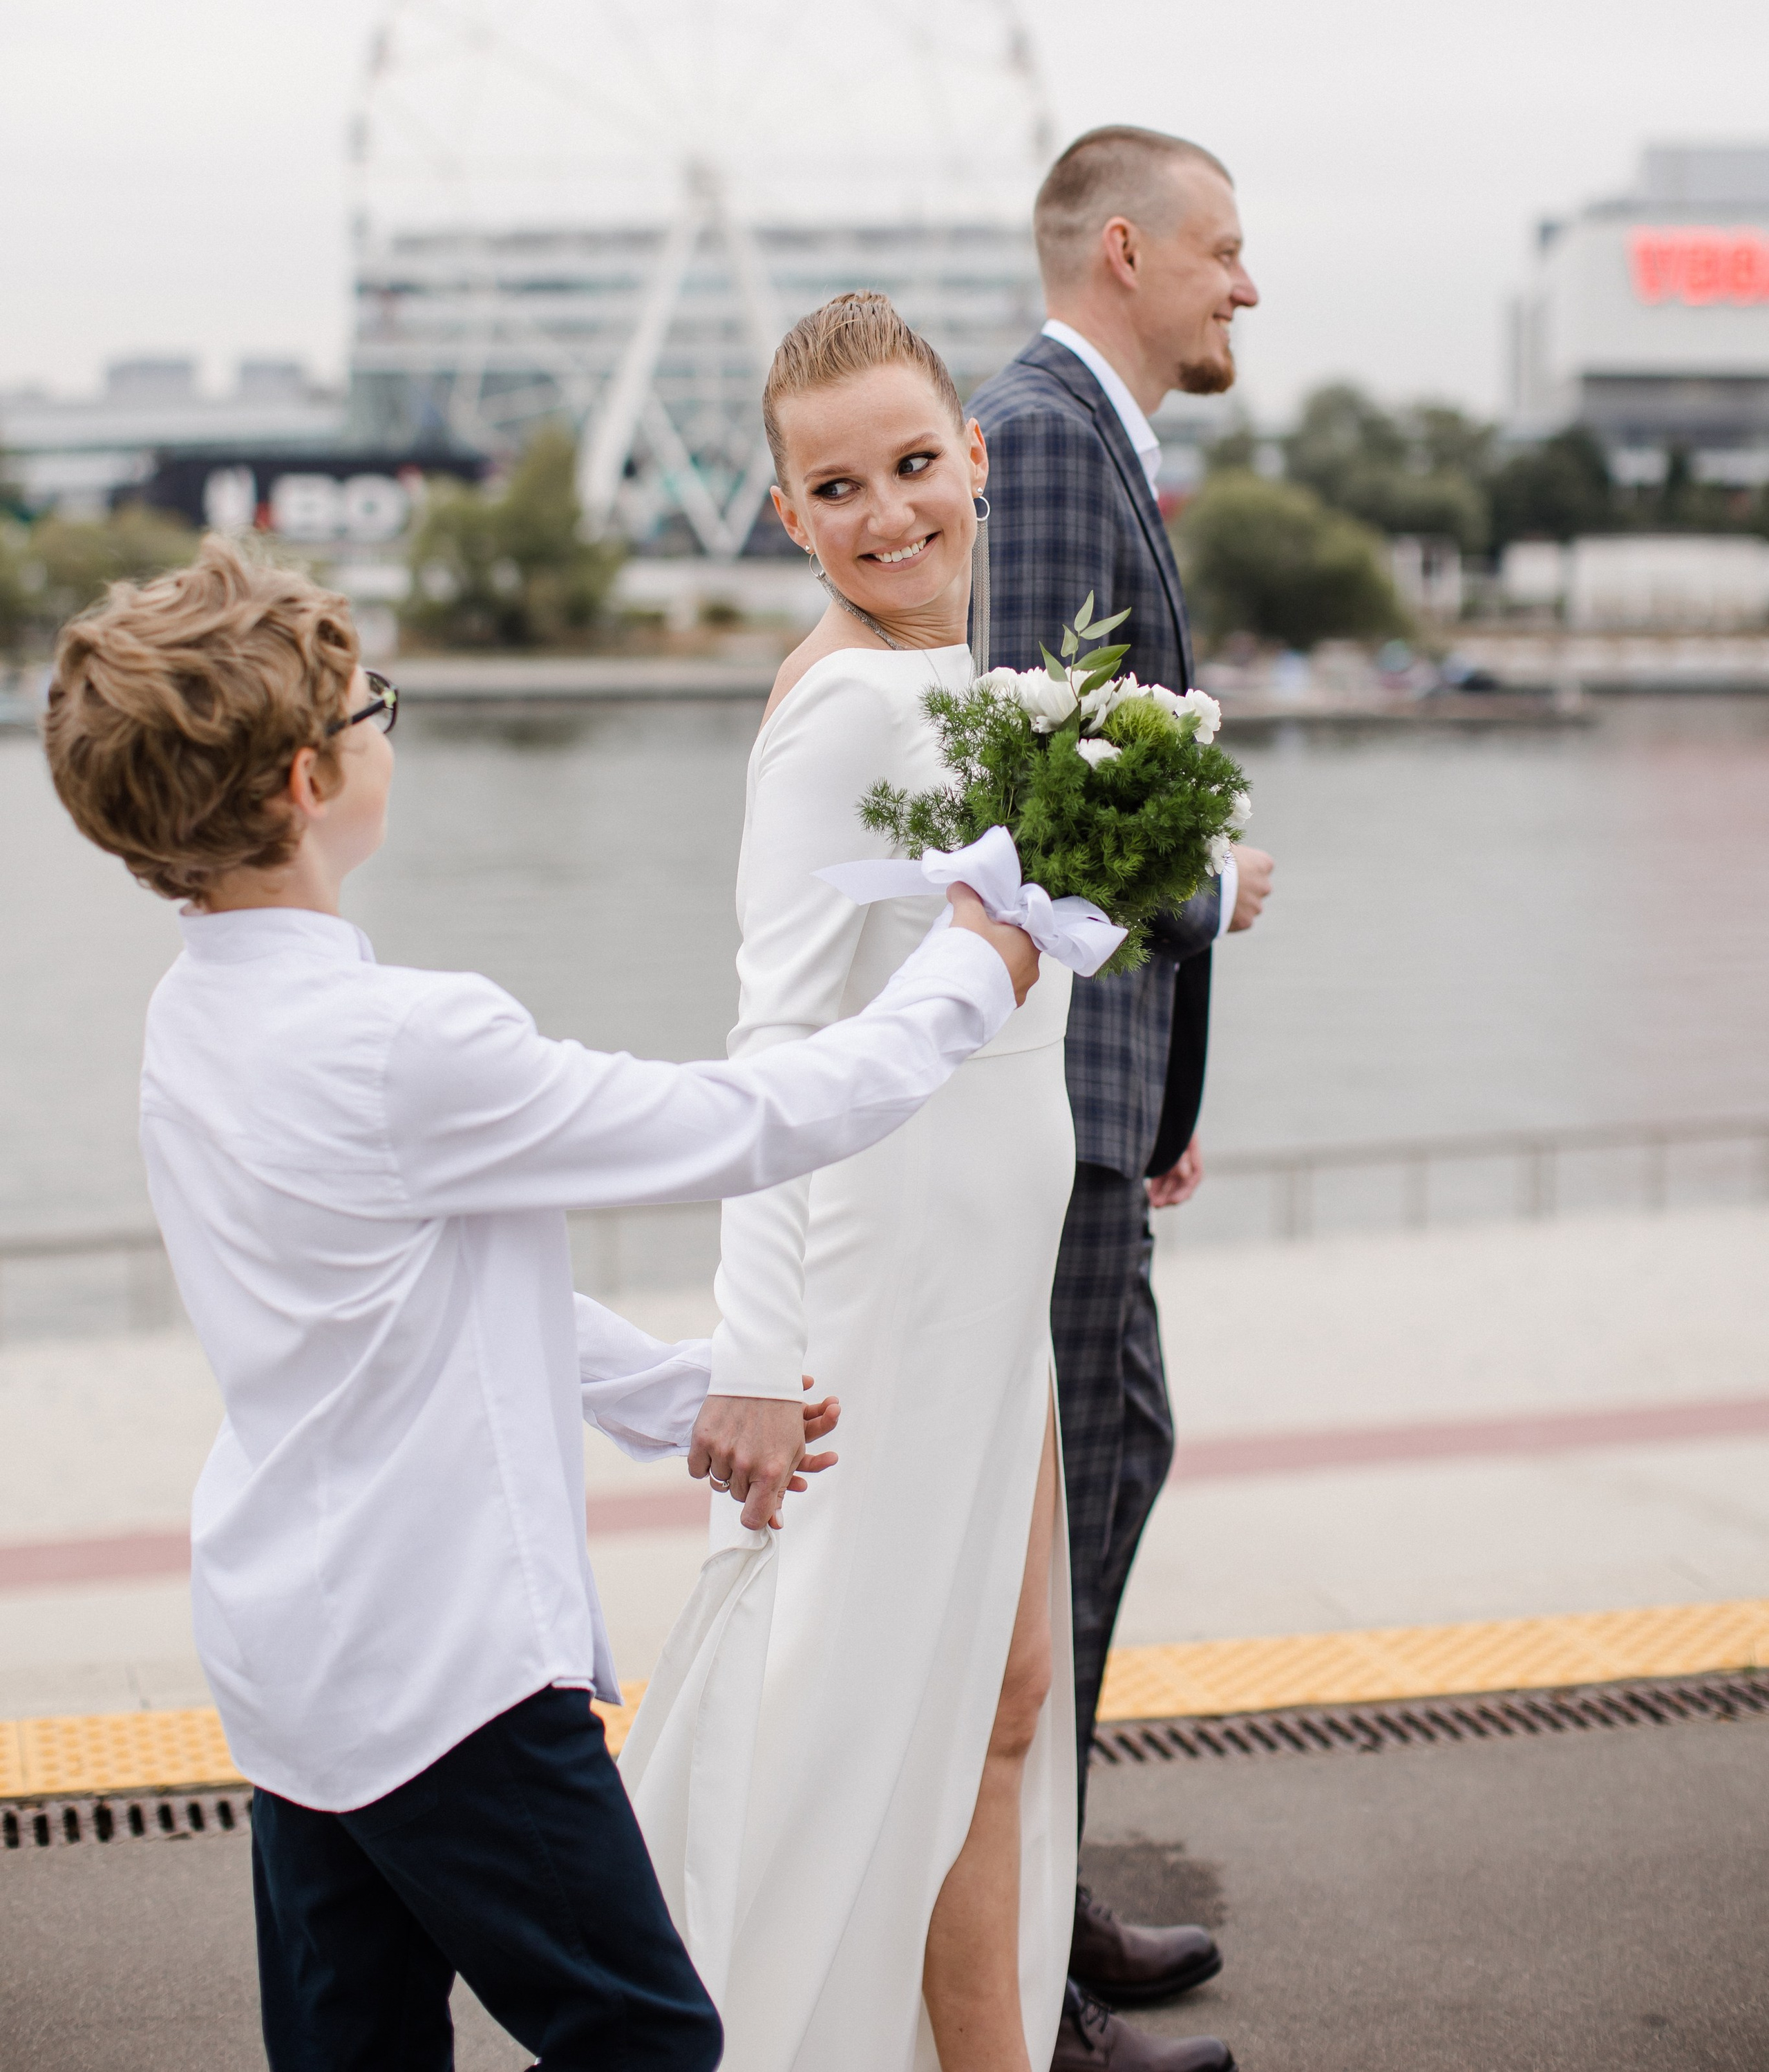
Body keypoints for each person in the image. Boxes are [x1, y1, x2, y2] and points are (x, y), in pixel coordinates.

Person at [41, 535, 1041, 2072]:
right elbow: (749, 1117)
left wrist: (673, 1391)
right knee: (642, 2037)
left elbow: (399, 1301)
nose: (386, 727)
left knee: (358, 2048)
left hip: (285, 1650)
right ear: (309, 781)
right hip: (442, 1670)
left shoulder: (193, 1024)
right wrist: (977, 960)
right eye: (371, 705)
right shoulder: (405, 1044)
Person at [623, 293, 1084, 2072]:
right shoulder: (837, 715)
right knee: (863, 1713)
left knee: (1001, 1701)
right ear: (782, 511)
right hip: (890, 1280)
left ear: (973, 457)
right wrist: (752, 1354)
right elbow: (771, 1041)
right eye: (838, 489)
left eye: (912, 465)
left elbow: (999, 947)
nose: (887, 513)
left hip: (992, 1270)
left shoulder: (963, 678)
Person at [969, 127, 1274, 2072]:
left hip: (1100, 1091)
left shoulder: (1076, 435)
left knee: (1102, 1468)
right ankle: (1020, 1973)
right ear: (1127, 249)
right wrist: (1202, 889)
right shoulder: (1057, 437)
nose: (1248, 288)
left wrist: (1160, 1094)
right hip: (1052, 1090)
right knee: (1073, 1494)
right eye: (1228, 251)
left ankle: (1041, 1903)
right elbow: (1022, 774)